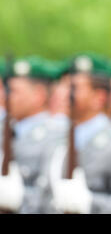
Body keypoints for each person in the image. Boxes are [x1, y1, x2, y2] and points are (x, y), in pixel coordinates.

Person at [48, 53, 111, 214]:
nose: (63, 94)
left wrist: (90, 203)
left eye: (73, 88)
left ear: (98, 97)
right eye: (63, 87)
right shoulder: (56, 139)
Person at [0, 56, 66, 213]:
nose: (5, 97)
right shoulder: (4, 130)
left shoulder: (57, 135)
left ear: (39, 95)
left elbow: (48, 195)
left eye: (13, 91)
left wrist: (18, 199)